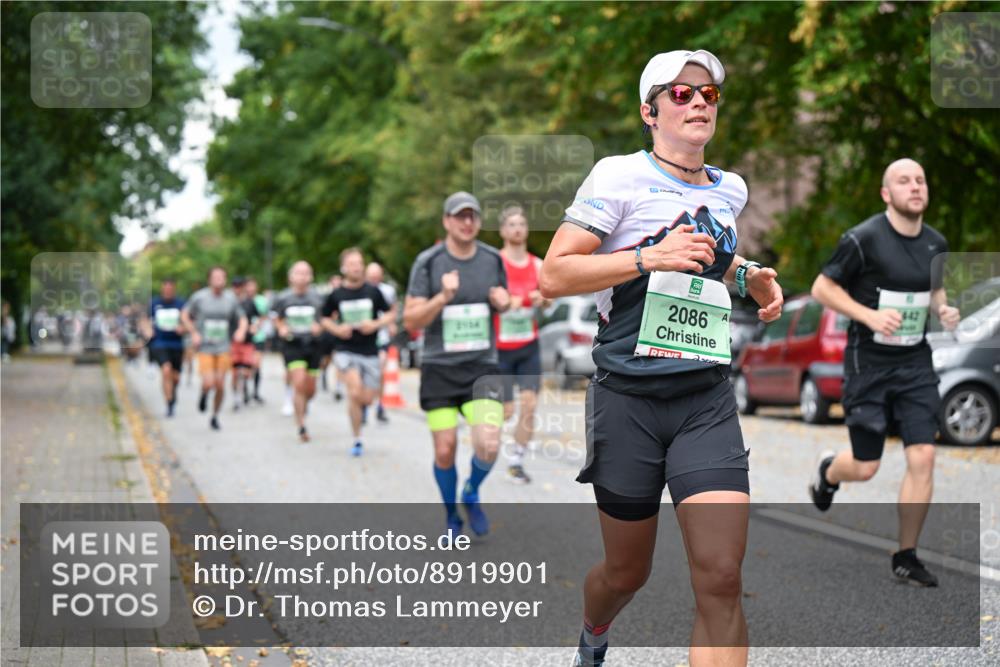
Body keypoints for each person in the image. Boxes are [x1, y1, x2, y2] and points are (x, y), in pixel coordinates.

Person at [539, 50, 783, 667]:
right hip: (628, 399)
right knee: (626, 573)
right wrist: (648, 257)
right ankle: (595, 631)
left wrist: (748, 274)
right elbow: (554, 274)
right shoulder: (617, 176)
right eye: (681, 93)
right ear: (650, 112)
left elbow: (707, 255)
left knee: (721, 575)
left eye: (708, 94)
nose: (698, 101)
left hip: (704, 399)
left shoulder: (730, 188)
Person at [809, 158, 959, 587]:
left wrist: (943, 309)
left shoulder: (936, 243)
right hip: (869, 365)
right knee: (865, 466)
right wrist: (869, 316)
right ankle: (828, 472)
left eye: (920, 180)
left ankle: (906, 555)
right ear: (886, 194)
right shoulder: (864, 239)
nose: (915, 186)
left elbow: (934, 291)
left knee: (923, 455)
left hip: (915, 363)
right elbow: (822, 288)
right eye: (904, 181)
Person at [404, 191, 511, 537]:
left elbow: (504, 301)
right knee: (445, 449)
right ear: (447, 221)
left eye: (473, 216)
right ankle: (452, 515)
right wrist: (443, 297)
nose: (467, 222)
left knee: (489, 444)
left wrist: (505, 302)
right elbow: (411, 320)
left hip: (481, 366)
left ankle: (471, 490)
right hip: (440, 368)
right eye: (460, 216)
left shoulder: (492, 259)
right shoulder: (428, 262)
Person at [495, 206, 551, 484]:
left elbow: (550, 299)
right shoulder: (495, 264)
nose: (517, 229)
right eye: (512, 224)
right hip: (499, 347)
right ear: (502, 231)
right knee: (506, 411)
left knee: (529, 405)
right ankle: (486, 440)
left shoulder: (538, 265)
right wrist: (506, 302)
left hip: (528, 344)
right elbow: (489, 298)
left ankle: (516, 461)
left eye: (521, 224)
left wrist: (544, 300)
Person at [323, 249, 396, 456]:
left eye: (359, 263)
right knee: (354, 392)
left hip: (370, 351)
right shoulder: (336, 294)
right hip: (346, 350)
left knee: (367, 398)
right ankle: (357, 438)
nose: (356, 267)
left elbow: (391, 313)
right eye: (352, 263)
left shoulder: (373, 291)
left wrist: (375, 324)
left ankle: (362, 409)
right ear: (343, 268)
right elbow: (324, 318)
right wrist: (338, 329)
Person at [181, 267, 248, 430]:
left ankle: (215, 415)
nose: (219, 280)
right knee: (209, 382)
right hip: (205, 346)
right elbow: (184, 314)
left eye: (222, 277)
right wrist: (193, 332)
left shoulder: (231, 299)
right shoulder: (199, 297)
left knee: (220, 384)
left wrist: (241, 331)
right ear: (209, 279)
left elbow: (242, 318)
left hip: (223, 346)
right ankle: (204, 393)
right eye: (216, 277)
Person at [273, 261, 324, 442]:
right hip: (292, 344)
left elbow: (328, 317)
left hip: (313, 345)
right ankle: (301, 425)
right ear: (291, 277)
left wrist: (320, 326)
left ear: (311, 276)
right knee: (299, 382)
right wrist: (281, 328)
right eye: (298, 273)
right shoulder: (283, 298)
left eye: (306, 273)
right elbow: (276, 318)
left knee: (310, 389)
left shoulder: (318, 298)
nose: (302, 277)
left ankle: (303, 405)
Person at [143, 278, 186, 417]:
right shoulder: (154, 303)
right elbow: (144, 320)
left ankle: (172, 393)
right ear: (162, 289)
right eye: (165, 289)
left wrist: (183, 328)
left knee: (176, 377)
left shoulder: (181, 304)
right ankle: (169, 403)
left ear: (174, 289)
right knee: (166, 370)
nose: (167, 291)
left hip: (177, 344)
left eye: (170, 289)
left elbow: (188, 321)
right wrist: (148, 330)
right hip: (160, 343)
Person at [364, 261, 398, 424]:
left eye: (376, 276)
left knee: (380, 370)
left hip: (381, 336)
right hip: (363, 339)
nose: (374, 279)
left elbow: (392, 309)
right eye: (371, 277)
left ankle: (380, 405)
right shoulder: (361, 290)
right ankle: (363, 404)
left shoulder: (388, 290)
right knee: (364, 372)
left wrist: (391, 324)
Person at [229, 277, 257, 411]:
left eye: (240, 286)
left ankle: (244, 387)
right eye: (235, 286)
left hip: (247, 341)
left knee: (246, 371)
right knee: (235, 372)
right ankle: (236, 397)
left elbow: (257, 317)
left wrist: (254, 326)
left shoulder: (249, 302)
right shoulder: (228, 302)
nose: (238, 289)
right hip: (232, 342)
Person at [245, 277, 268, 403]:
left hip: (258, 336)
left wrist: (257, 325)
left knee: (257, 364)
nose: (250, 288)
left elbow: (264, 316)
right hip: (245, 338)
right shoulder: (242, 300)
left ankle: (255, 392)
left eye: (252, 286)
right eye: (248, 286)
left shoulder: (261, 300)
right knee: (246, 366)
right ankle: (244, 390)